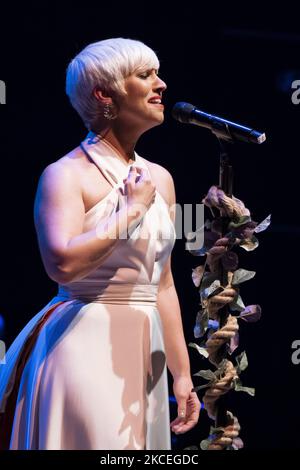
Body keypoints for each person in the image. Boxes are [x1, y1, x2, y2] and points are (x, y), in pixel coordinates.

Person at [0, 38, 202, 450]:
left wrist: (182, 374)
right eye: (145, 75)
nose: (161, 84)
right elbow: (62, 265)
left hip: (148, 350)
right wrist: (128, 213)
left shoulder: (160, 178)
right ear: (104, 93)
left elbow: (162, 283)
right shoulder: (64, 175)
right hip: (83, 342)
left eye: (157, 73)